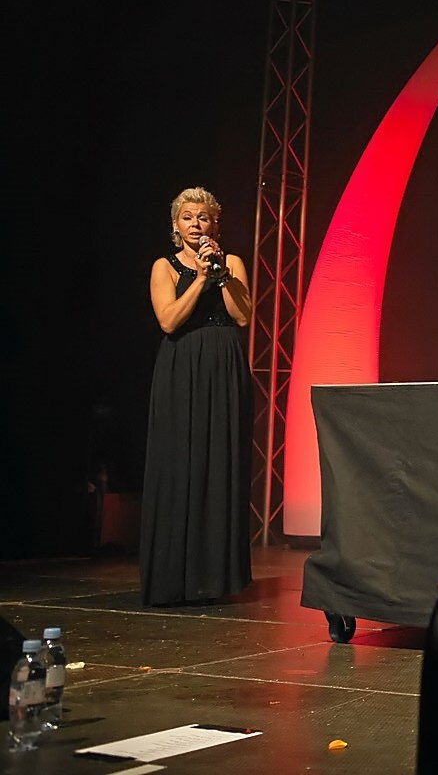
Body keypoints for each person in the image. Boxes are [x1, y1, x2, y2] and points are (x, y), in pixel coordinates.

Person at [141, 186, 254, 606]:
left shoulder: (232, 263)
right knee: (180, 460)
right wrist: (200, 279)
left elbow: (243, 315)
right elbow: (169, 321)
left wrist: (219, 273)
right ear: (176, 225)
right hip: (182, 367)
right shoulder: (164, 266)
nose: (195, 224)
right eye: (188, 217)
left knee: (220, 460)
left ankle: (215, 577)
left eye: (203, 218)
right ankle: (173, 577)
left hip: (224, 365)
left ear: (214, 225)